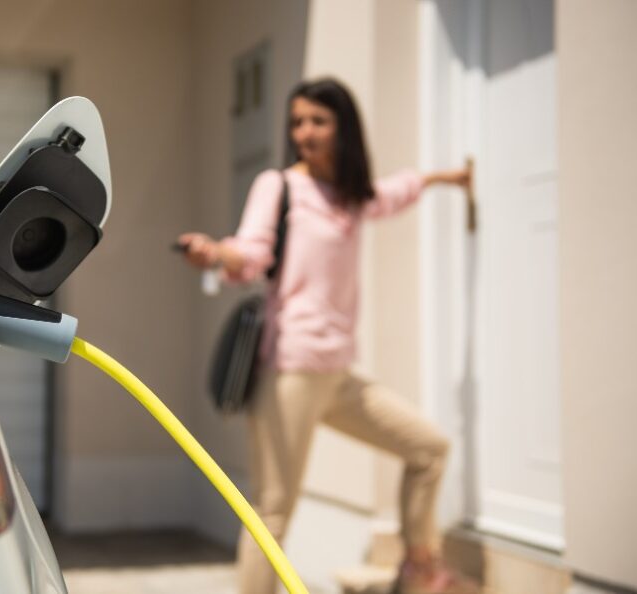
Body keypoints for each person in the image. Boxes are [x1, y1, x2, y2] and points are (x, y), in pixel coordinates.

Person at [177, 78, 476, 594]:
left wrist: (450, 178)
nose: (305, 132)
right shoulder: (281, 186)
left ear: (343, 129)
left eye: (318, 121)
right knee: (272, 513)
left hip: (337, 374)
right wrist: (216, 253)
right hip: (290, 371)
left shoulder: (352, 197)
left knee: (428, 449)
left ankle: (418, 569)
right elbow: (251, 253)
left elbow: (396, 190)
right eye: (297, 122)